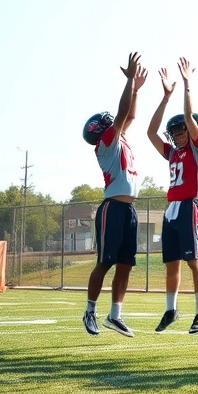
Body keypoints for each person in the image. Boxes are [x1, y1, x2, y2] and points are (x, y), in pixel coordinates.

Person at [81, 52, 147, 337]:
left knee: (125, 264)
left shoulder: (116, 138)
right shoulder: (105, 144)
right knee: (105, 262)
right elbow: (123, 114)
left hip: (128, 210)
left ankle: (115, 315)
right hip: (112, 208)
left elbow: (130, 114)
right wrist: (130, 80)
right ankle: (90, 312)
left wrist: (136, 90)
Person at [145, 59, 198, 335]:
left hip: (189, 207)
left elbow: (189, 117)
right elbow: (150, 132)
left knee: (193, 260)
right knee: (171, 264)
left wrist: (186, 86)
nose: (177, 135)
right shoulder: (173, 152)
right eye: (174, 132)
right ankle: (171, 309)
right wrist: (164, 98)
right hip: (172, 209)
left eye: (181, 129)